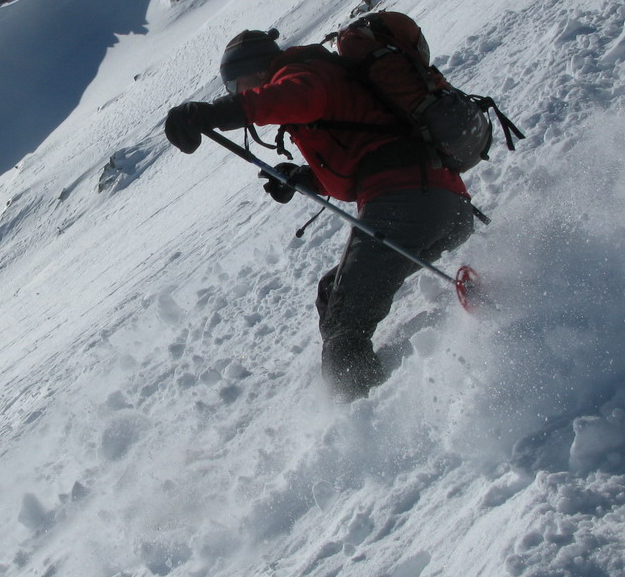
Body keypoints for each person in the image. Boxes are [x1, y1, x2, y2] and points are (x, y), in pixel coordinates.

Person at [163, 29, 473, 399]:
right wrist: (304, 178)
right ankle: (364, 395)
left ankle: (361, 413)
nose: (237, 93)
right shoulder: (317, 77)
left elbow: (295, 97)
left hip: (408, 203)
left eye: (236, 86)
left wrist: (213, 113)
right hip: (438, 203)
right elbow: (361, 164)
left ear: (255, 72)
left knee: (345, 319)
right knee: (333, 293)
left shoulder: (300, 72)